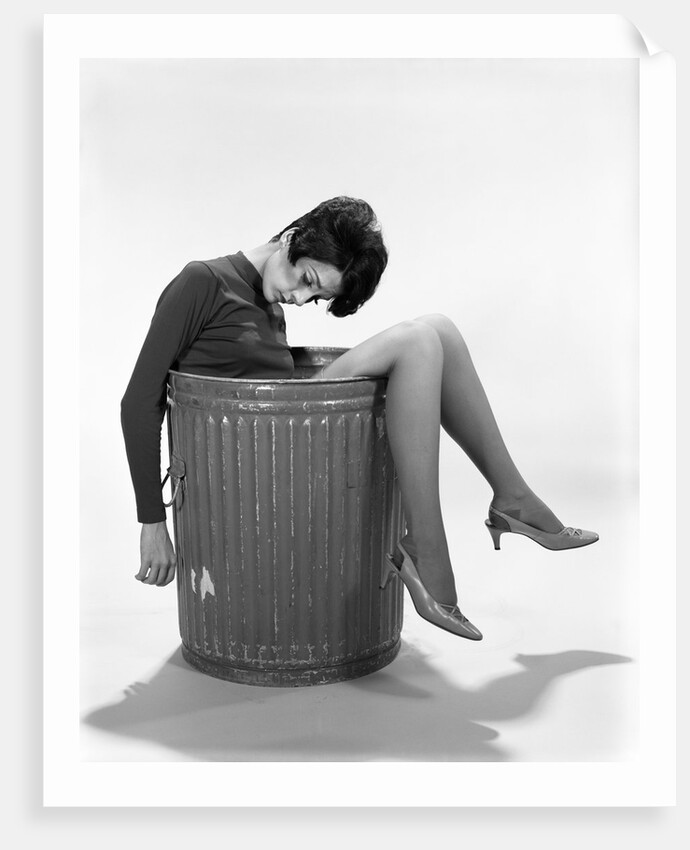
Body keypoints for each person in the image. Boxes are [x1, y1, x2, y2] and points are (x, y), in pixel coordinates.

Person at [121, 195, 598, 642]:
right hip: (260, 461)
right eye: (308, 281)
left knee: (440, 331)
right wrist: (152, 522)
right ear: (292, 237)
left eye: (318, 297)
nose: (303, 300)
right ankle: (427, 551)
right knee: (417, 340)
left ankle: (513, 499)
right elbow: (138, 402)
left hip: (292, 435)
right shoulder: (201, 282)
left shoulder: (268, 299)